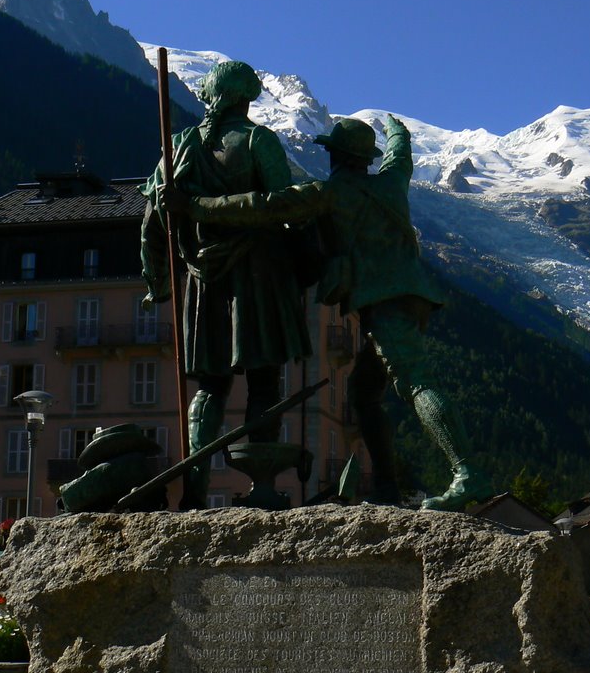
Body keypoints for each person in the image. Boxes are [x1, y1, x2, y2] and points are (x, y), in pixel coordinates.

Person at [161, 113, 492, 513]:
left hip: (384, 301)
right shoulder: (391, 183)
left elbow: (261, 206)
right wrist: (395, 128)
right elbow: (402, 152)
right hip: (415, 296)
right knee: (364, 392)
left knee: (415, 382)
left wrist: (194, 206)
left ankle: (467, 472)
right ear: (367, 159)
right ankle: (386, 485)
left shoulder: (327, 194)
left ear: (334, 155)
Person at [141, 60, 311, 508]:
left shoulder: (178, 146)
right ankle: (262, 488)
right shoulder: (259, 141)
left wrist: (157, 280)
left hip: (203, 282)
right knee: (264, 382)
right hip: (259, 275)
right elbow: (282, 208)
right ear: (244, 98)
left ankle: (194, 493)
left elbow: (153, 222)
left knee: (210, 388)